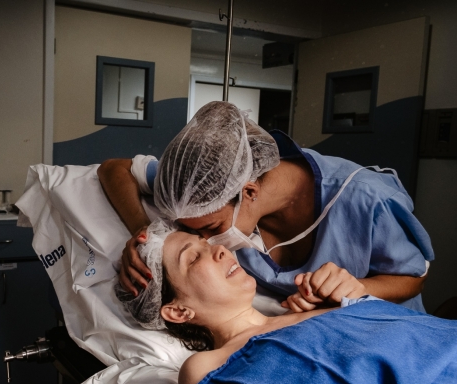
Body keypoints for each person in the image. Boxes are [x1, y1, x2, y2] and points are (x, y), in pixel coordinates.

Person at [38, 220, 457, 384]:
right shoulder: (205, 365)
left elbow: (402, 333)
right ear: (178, 312)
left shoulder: (324, 303)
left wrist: (354, 297)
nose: (219, 252)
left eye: (207, 243)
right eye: (194, 257)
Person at [98, 101, 434, 312]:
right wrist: (147, 234)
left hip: (388, 330)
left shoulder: (366, 201)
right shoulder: (197, 187)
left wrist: (357, 290)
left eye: (213, 230)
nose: (211, 244)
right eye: (193, 232)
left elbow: (412, 279)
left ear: (248, 191)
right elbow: (114, 169)